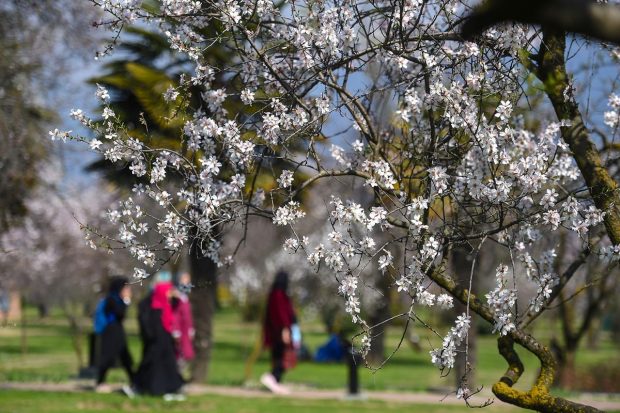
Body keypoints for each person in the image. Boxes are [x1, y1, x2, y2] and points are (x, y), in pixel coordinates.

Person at [134, 281, 185, 399]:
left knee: (168, 365)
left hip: (166, 341)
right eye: (168, 292)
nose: (169, 294)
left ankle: (171, 387)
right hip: (158, 342)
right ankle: (151, 388)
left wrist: (176, 295)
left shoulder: (166, 304)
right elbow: (153, 327)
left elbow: (177, 304)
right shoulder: (155, 307)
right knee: (155, 366)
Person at [95, 276, 134, 393]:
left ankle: (134, 380)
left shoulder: (116, 299)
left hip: (117, 331)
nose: (128, 290)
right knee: (107, 357)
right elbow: (120, 314)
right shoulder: (111, 299)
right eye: (125, 287)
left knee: (125, 357)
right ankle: (100, 382)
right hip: (110, 332)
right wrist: (127, 300)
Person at [260, 271, 297, 394]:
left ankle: (275, 382)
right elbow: (281, 314)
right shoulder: (279, 295)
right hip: (280, 331)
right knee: (283, 356)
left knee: (278, 356)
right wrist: (285, 329)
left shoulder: (274, 294)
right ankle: (272, 377)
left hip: (275, 332)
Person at [172, 273, 195, 371]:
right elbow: (175, 314)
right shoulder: (176, 296)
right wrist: (175, 331)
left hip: (185, 329)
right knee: (178, 354)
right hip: (179, 329)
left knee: (184, 354)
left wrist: (191, 329)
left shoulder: (185, 296)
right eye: (185, 279)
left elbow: (188, 314)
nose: (187, 282)